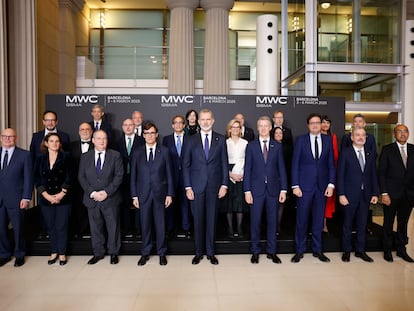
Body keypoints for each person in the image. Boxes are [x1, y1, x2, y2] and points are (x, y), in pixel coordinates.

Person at [182, 109, 228, 265]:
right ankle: (198, 252)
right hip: (196, 187)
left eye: (208, 119)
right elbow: (186, 165)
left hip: (214, 187)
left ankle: (211, 252)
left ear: (213, 121)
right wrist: (188, 187)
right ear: (198, 121)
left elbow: (223, 163)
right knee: (198, 221)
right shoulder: (190, 140)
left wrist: (224, 185)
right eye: (203, 119)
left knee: (212, 220)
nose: (206, 122)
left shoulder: (220, 139)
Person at [291, 113, 335, 263]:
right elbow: (295, 164)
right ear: (308, 125)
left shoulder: (328, 141)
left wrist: (331, 184)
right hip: (304, 188)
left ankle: (318, 250)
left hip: (322, 188)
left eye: (318, 122)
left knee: (318, 221)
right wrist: (295, 185)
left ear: (321, 125)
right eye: (312, 123)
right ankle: (299, 251)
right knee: (301, 220)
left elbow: (331, 165)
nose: (315, 125)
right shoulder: (301, 140)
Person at [244, 116, 287, 264]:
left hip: (273, 191)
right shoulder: (251, 146)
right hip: (256, 191)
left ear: (270, 128)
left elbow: (282, 169)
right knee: (255, 222)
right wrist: (247, 191)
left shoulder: (278, 146)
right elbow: (247, 170)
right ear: (257, 128)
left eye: (265, 126)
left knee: (272, 222)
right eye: (260, 126)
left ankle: (272, 251)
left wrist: (284, 190)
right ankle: (255, 251)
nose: (263, 128)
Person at [130, 122, 174, 266]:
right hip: (143, 194)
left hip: (160, 194)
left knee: (160, 225)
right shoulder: (137, 152)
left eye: (152, 133)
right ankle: (145, 252)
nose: (149, 136)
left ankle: (162, 252)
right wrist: (134, 195)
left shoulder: (165, 151)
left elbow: (169, 174)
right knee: (145, 225)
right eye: (146, 133)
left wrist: (169, 194)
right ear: (143, 135)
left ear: (156, 134)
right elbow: (133, 176)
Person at [78, 130, 124, 265]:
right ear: (93, 140)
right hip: (92, 199)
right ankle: (98, 253)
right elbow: (81, 177)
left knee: (113, 227)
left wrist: (106, 192)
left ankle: (113, 253)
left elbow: (119, 176)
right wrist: (92, 193)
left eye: (104, 138)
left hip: (110, 198)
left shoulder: (115, 155)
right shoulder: (85, 156)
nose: (102, 141)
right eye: (99, 138)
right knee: (95, 228)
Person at [337, 127, 379, 263]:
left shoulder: (370, 153)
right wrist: (341, 194)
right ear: (352, 137)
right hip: (349, 195)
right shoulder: (345, 152)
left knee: (362, 224)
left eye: (363, 135)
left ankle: (360, 251)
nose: (360, 137)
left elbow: (373, 174)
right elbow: (340, 175)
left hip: (365, 195)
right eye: (357, 135)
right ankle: (347, 251)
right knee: (347, 224)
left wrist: (375, 193)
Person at [34, 133, 72, 265]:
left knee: (61, 226)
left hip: (63, 198)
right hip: (46, 198)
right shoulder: (39, 159)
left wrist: (62, 194)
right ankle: (53, 251)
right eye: (51, 141)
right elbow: (37, 179)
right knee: (50, 226)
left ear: (60, 144)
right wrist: (46, 195)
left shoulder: (66, 157)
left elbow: (69, 177)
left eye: (57, 141)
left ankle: (62, 253)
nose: (54, 143)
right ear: (46, 143)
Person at [379, 124, 414, 263]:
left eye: (405, 131)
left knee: (403, 223)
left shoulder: (413, 149)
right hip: (391, 194)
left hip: (409, 195)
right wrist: (384, 193)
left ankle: (401, 250)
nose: (402, 134)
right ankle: (387, 250)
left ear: (408, 133)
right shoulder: (387, 150)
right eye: (399, 131)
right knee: (388, 223)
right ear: (395, 134)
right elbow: (381, 173)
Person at [0, 128, 33, 267]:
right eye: (5, 136)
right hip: (0, 199)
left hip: (17, 198)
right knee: (0, 229)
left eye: (11, 136)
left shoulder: (24, 155)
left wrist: (26, 197)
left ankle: (19, 254)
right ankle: (4, 254)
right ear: (1, 138)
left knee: (19, 229)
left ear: (16, 138)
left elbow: (28, 178)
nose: (8, 139)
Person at [162, 115, 191, 238]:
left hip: (186, 176)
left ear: (184, 125)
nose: (178, 125)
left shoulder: (191, 139)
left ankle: (186, 228)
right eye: (176, 123)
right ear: (172, 125)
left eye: (180, 123)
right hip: (171, 177)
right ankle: (170, 228)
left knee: (186, 203)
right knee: (170, 203)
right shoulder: (166, 140)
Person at [116, 118, 144, 238]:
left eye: (130, 125)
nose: (128, 127)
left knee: (139, 204)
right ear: (122, 127)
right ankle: (126, 228)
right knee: (124, 203)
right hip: (121, 178)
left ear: (134, 127)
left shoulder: (142, 141)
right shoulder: (116, 142)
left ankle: (138, 228)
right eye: (125, 125)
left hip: (138, 177)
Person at [224, 119, 249, 238]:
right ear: (229, 129)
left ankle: (239, 228)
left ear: (240, 129)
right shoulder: (225, 143)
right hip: (228, 174)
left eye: (237, 127)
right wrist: (229, 174)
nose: (235, 129)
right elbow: (222, 162)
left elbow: (248, 160)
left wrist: (243, 173)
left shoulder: (245, 143)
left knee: (240, 203)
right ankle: (230, 228)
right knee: (229, 203)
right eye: (233, 127)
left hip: (242, 173)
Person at [69, 122, 94, 238]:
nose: (85, 131)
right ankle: (78, 232)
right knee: (77, 208)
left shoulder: (97, 146)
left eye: (87, 129)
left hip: (93, 185)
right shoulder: (71, 146)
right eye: (82, 129)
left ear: (91, 131)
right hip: (75, 185)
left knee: (92, 209)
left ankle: (90, 231)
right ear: (79, 132)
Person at [320, 115, 339, 233]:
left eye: (328, 123)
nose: (325, 125)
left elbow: (335, 155)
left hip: (329, 172)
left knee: (327, 200)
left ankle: (324, 224)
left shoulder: (333, 137)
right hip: (318, 172)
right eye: (323, 122)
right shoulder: (314, 137)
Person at [273, 126, 294, 230]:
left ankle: (278, 225)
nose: (278, 135)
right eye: (276, 133)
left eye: (280, 133)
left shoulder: (288, 148)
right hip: (272, 179)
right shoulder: (269, 146)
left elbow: (290, 164)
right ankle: (272, 225)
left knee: (282, 203)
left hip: (284, 178)